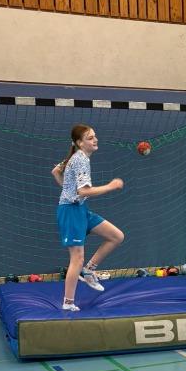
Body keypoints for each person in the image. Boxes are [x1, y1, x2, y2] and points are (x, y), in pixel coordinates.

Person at [52, 124, 125, 312]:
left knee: (116, 236)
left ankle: (90, 269)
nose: (95, 139)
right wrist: (110, 186)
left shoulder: (76, 157)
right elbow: (84, 191)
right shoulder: (80, 159)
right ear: (80, 142)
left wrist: (67, 189)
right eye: (90, 138)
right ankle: (68, 302)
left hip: (81, 209)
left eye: (95, 136)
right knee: (77, 258)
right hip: (70, 212)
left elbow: (56, 171)